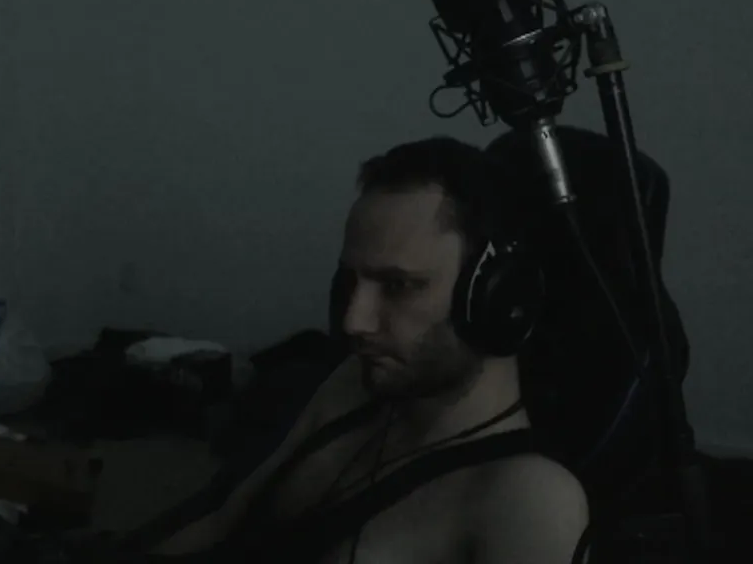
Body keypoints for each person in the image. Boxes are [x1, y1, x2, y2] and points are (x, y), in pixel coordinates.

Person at [148, 136, 589, 563]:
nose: (353, 322)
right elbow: (222, 522)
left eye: (398, 286)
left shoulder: (530, 499)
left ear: (495, 299)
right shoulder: (353, 386)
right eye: (351, 281)